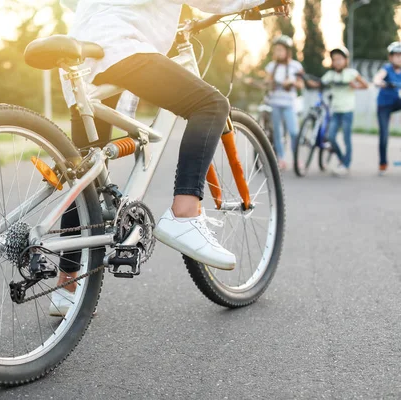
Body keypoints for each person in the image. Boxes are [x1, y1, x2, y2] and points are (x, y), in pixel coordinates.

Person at [49, 0, 289, 316]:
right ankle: (185, 214)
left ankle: (67, 288)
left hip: (86, 49)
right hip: (120, 45)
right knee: (211, 106)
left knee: (87, 176)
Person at [315, 47, 368, 176]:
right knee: (331, 137)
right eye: (334, 60)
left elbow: (365, 85)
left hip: (347, 111)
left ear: (345, 60)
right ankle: (341, 159)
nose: (337, 62)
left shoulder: (351, 73)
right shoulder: (330, 75)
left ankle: (346, 164)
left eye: (340, 59)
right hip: (336, 111)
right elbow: (319, 83)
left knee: (346, 138)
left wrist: (355, 86)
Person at [264, 35, 304, 170]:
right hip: (274, 103)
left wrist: (292, 82)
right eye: (276, 50)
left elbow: (301, 84)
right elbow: (267, 80)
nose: (278, 52)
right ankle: (280, 159)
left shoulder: (295, 66)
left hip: (289, 104)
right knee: (277, 133)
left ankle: (296, 158)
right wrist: (268, 82)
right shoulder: (271, 66)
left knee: (293, 132)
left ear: (288, 51)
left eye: (281, 50)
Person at [373, 41, 401, 176]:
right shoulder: (387, 69)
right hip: (384, 104)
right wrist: (381, 82)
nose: (399, 58)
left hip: (398, 102)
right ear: (390, 57)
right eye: (396, 55)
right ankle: (383, 163)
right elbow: (377, 78)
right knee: (384, 135)